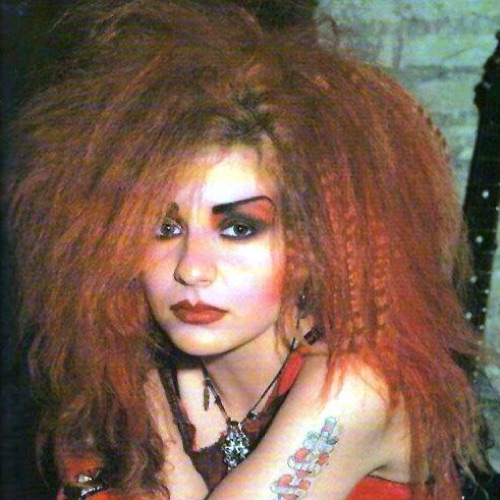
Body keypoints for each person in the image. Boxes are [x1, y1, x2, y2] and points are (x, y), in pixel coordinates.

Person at [5, 0, 488, 498]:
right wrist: (139, 390)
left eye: (238, 229)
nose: (192, 269)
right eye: (162, 228)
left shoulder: (356, 388)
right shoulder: (127, 364)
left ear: (311, 244)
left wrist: (159, 437)